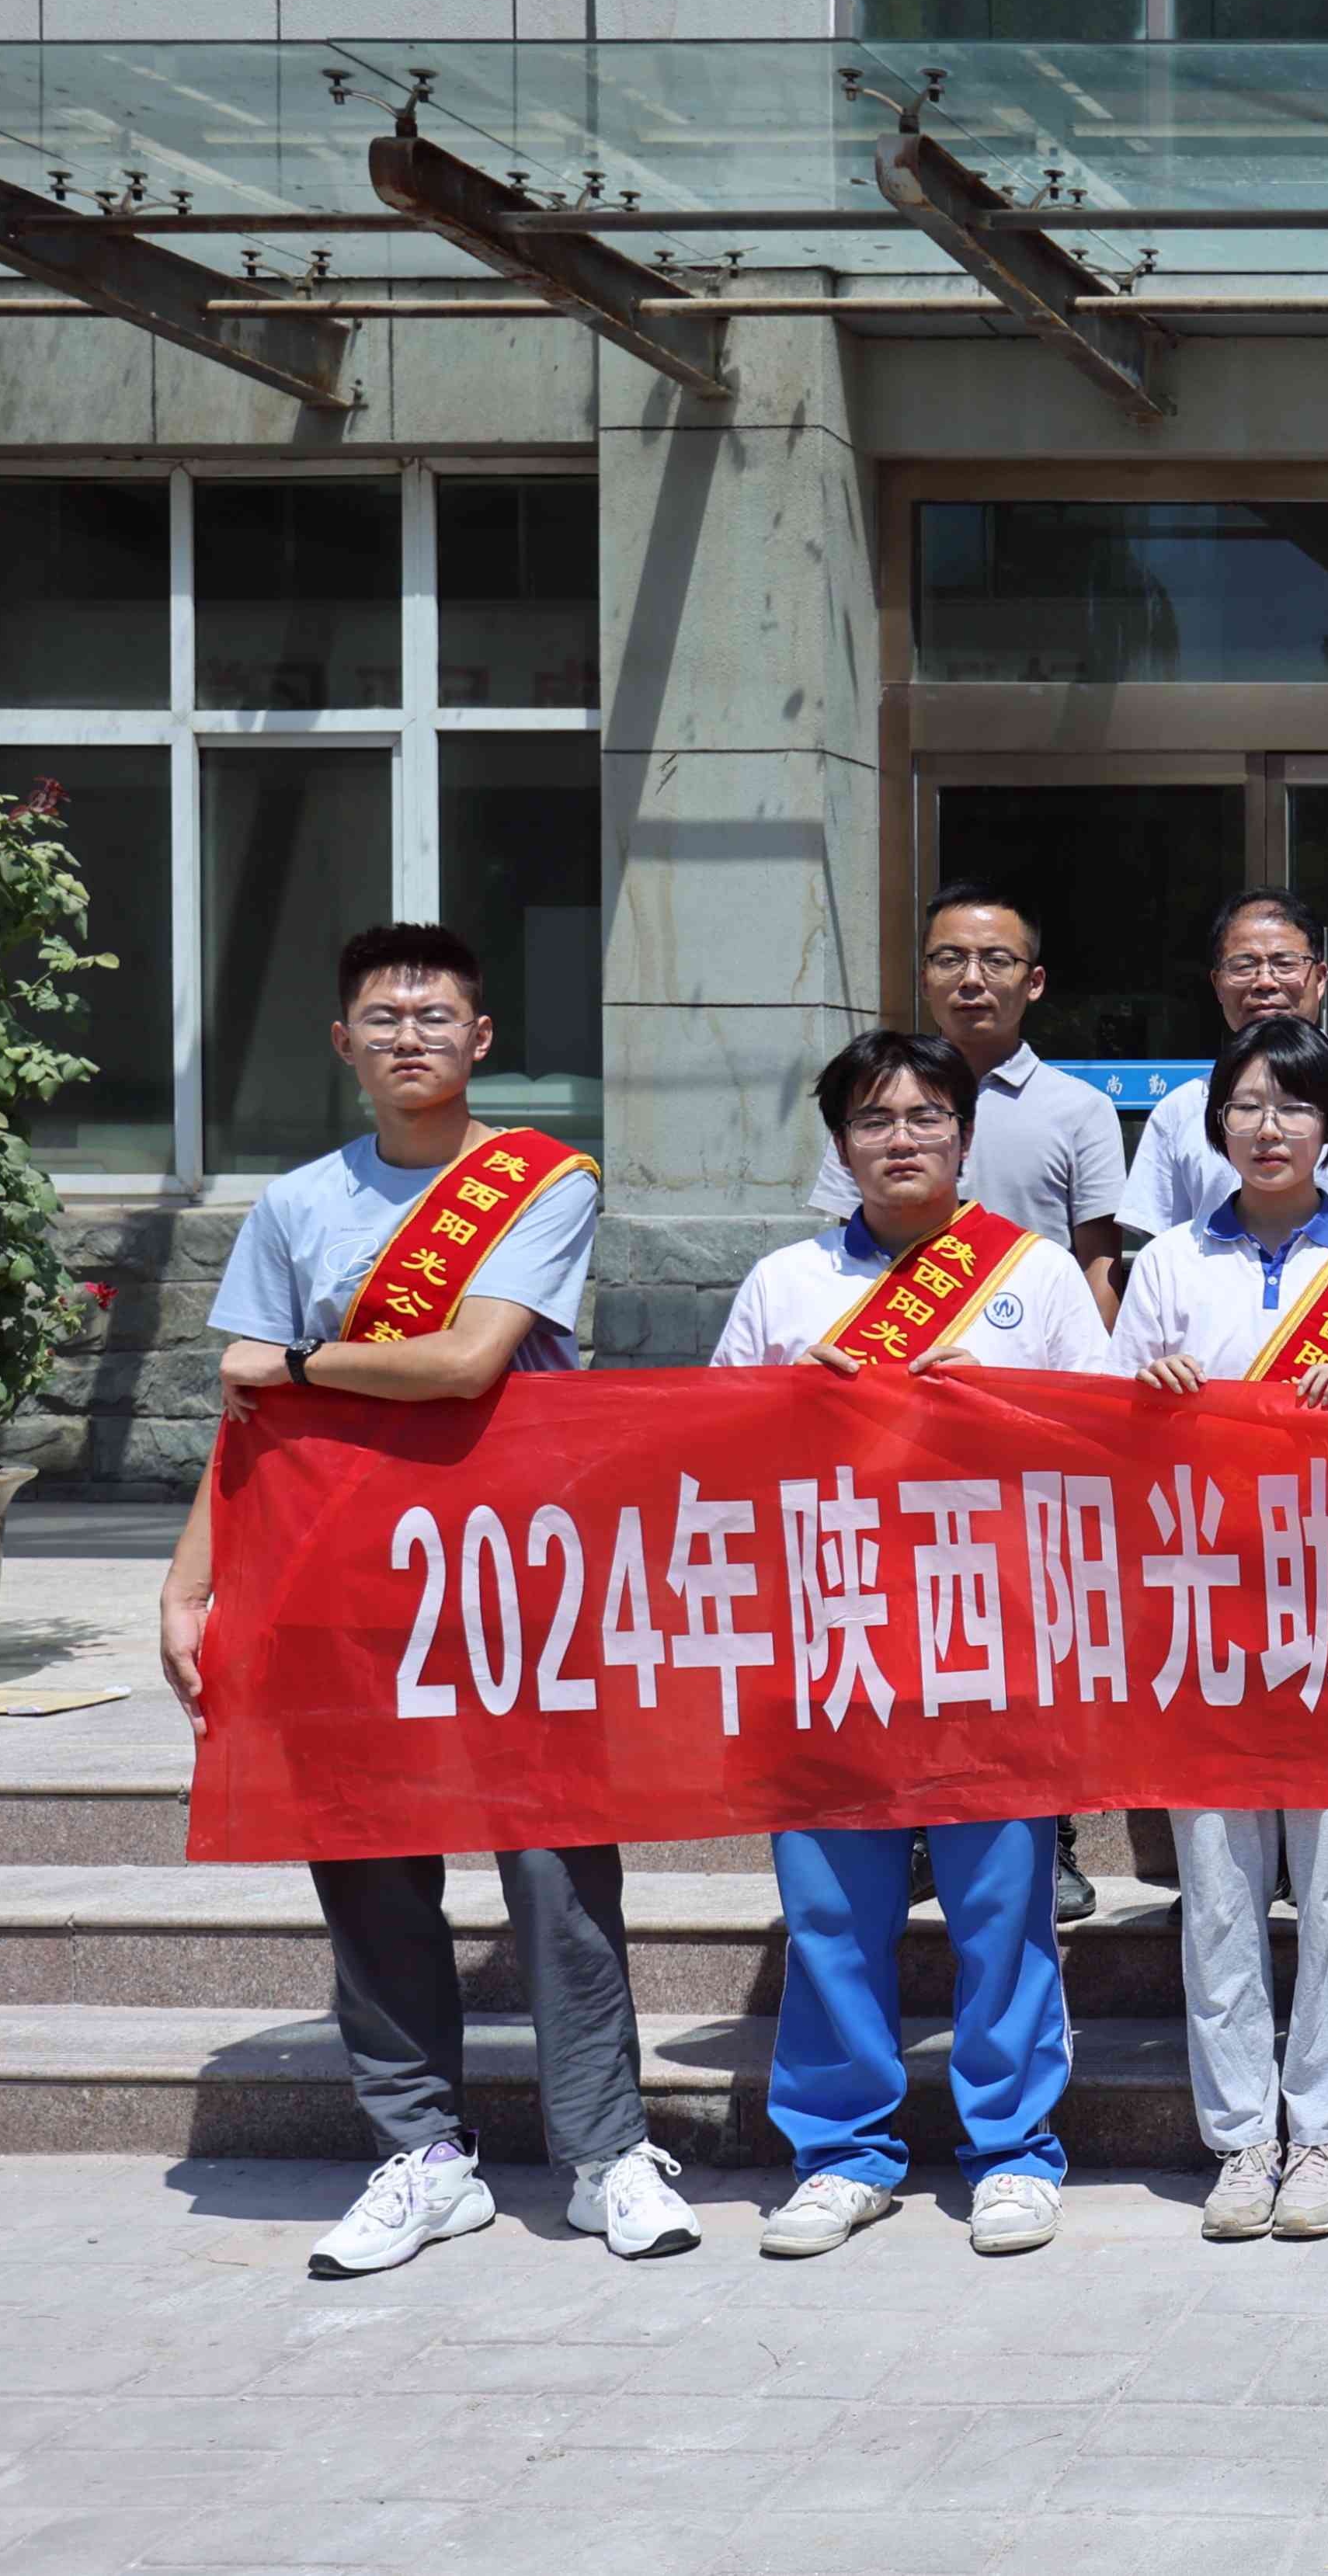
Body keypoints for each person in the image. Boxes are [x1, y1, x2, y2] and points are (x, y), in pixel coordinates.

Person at [155, 923, 696, 2276]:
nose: (411, 1037)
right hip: (342, 1580)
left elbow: (467, 1364)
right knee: (367, 1862)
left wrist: (302, 1360)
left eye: (436, 1016)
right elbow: (247, 1420)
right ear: (344, 1043)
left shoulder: (539, 1186)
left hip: (518, 1575)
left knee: (556, 1867)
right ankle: (424, 2155)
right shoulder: (293, 1208)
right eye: (385, 1019)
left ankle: (606, 2154)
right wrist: (190, 1583)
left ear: (481, 1040)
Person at [714, 1032, 1104, 2261]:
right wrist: (787, 1401)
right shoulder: (783, 1286)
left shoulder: (1036, 1276)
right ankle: (842, 2155)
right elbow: (704, 1457)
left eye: (927, 1116)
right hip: (830, 1638)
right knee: (832, 1914)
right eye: (874, 1120)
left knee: (1003, 1910)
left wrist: (1000, 1402)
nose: (901, 1139)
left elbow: (1107, 1451)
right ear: (838, 1145)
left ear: (965, 1137)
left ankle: (1014, 2151)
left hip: (993, 1633)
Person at [1111, 1017, 1328, 2247]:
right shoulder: (1166, 1265)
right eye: (1247, 1105)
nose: (1269, 1127)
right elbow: (1106, 1445)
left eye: (1293, 1105)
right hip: (1204, 1612)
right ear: (1215, 1125)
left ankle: (1323, 2132)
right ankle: (1239, 2137)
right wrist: (1147, 1401)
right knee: (1216, 1888)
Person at [798, 880, 1128, 1924]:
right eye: (948, 958)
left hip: (1008, 1422)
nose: (970, 978)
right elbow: (832, 1256)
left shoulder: (1075, 1110)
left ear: (1034, 979)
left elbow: (1096, 1265)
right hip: (874, 1463)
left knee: (1013, 1671)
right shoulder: (867, 1091)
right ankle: (898, 1840)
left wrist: (1041, 1389)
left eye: (994, 959)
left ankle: (1045, 1839)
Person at [1121, 886, 1328, 1243]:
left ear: (1320, 979)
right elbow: (1163, 1249)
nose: (1265, 982)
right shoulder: (1178, 1112)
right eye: (1244, 965)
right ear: (1218, 985)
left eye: (1285, 964)